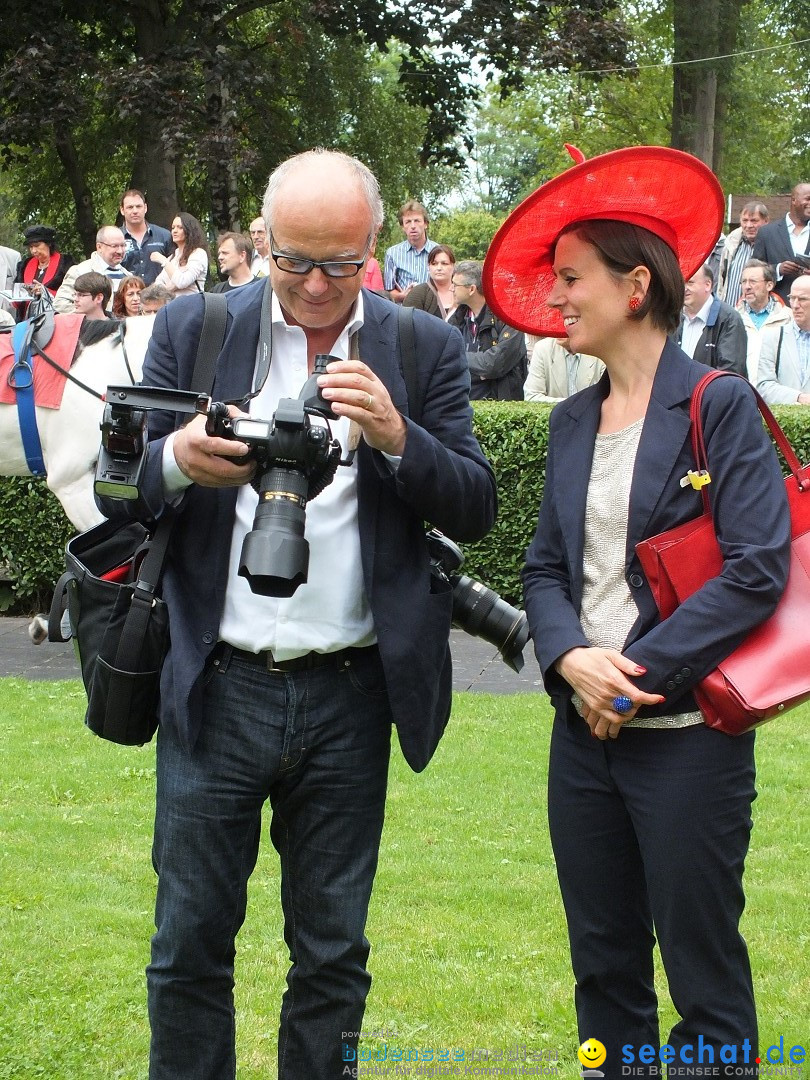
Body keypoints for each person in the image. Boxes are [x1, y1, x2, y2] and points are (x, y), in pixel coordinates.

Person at [96, 147, 496, 1080]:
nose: (318, 287)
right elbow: (122, 492)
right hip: (216, 682)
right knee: (188, 944)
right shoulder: (195, 326)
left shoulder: (419, 343)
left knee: (331, 957)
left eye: (344, 265)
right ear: (262, 242)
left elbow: (475, 502)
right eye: (296, 261)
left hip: (352, 693)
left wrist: (398, 435)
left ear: (376, 247)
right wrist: (176, 462)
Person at [484, 145, 790, 1079]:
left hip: (688, 737)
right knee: (603, 969)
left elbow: (757, 569)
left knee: (705, 977)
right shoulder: (573, 417)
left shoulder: (719, 404)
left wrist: (632, 681)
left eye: (571, 279)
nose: (558, 298)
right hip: (584, 739)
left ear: (637, 284)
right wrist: (571, 660)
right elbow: (544, 568)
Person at [448, 259, 526, 399]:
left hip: (501, 405)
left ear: (472, 289)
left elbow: (495, 364)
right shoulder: (456, 320)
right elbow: (445, 360)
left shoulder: (508, 317)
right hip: (463, 402)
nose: (451, 289)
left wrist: (462, 359)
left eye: (455, 285)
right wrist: (480, 369)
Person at [674, 262, 747, 374]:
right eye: (681, 283)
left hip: (713, 390)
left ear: (708, 285)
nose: (684, 289)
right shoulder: (674, 318)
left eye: (690, 282)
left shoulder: (729, 319)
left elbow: (730, 372)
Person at [756, 274, 810, 404]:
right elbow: (764, 386)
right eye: (792, 298)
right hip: (783, 422)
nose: (795, 305)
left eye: (802, 299)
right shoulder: (773, 337)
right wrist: (799, 397)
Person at [735, 259, 790, 383]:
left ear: (769, 285)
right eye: (744, 282)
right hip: (743, 391)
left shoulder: (787, 318)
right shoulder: (732, 318)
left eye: (753, 281)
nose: (747, 287)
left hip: (777, 394)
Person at [753, 182, 810, 301]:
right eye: (808, 199)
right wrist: (778, 269)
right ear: (794, 200)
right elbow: (754, 270)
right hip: (778, 306)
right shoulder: (767, 233)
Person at [53, 226, 131, 313]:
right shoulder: (80, 271)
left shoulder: (128, 276)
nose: (120, 251)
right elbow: (59, 305)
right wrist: (91, 318)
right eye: (114, 246)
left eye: (123, 245)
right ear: (99, 247)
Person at [13, 225, 74, 317]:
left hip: (56, 319)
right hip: (27, 320)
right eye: (31, 247)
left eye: (37, 246)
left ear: (49, 244)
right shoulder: (24, 265)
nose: (33, 251)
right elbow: (17, 297)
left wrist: (45, 292)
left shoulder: (66, 264)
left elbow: (73, 295)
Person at [716, 201, 769, 306]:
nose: (748, 225)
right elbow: (722, 281)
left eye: (754, 221)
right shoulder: (731, 244)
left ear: (766, 221)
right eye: (745, 220)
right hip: (729, 311)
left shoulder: (772, 245)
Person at [383, 199, 436, 302]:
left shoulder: (438, 252)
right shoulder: (392, 253)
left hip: (433, 311)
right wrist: (401, 296)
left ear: (425, 224)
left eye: (417, 221)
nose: (412, 226)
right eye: (408, 222)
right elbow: (389, 290)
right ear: (403, 227)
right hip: (403, 312)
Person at [523, 336, 604, 401]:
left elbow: (610, 398)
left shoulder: (600, 349)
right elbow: (531, 396)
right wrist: (570, 405)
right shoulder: (542, 348)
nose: (559, 330)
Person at [119, 189, 173, 284]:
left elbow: (175, 267)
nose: (135, 211)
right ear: (122, 210)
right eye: (130, 207)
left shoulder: (164, 236)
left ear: (145, 208)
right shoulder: (115, 238)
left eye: (138, 206)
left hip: (159, 295)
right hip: (126, 296)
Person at [151, 212, 209, 295]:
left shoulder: (198, 254)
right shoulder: (172, 257)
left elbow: (182, 282)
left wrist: (163, 261)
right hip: (172, 305)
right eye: (173, 227)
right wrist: (169, 288)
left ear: (189, 230)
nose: (174, 231)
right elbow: (158, 283)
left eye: (180, 227)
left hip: (192, 305)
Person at [403, 244, 457, 320]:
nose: (439, 268)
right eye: (434, 264)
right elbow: (405, 322)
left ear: (453, 266)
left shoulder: (463, 290)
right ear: (428, 267)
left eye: (444, 263)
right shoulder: (418, 293)